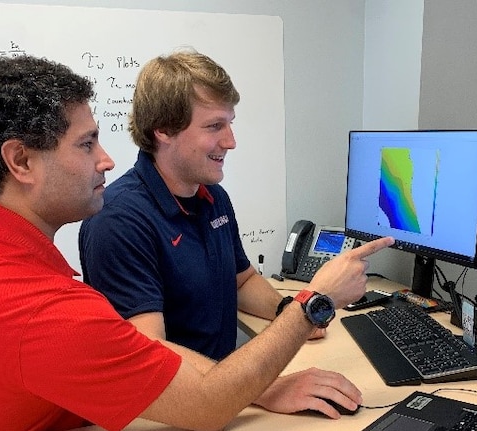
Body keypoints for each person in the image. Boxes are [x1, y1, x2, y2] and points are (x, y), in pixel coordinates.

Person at [0, 55, 393, 431]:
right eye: (86, 144)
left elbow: (236, 284)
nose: (105, 159)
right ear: (21, 161)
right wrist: (313, 303)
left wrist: (277, 336)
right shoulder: (45, 305)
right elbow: (204, 402)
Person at [78, 50, 324, 364]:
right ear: (164, 130)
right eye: (214, 126)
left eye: (229, 123)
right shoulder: (118, 220)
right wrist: (259, 388)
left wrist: (288, 312)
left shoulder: (213, 198)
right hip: (175, 404)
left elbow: (242, 280)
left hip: (221, 387)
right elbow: (149, 357)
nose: (231, 141)